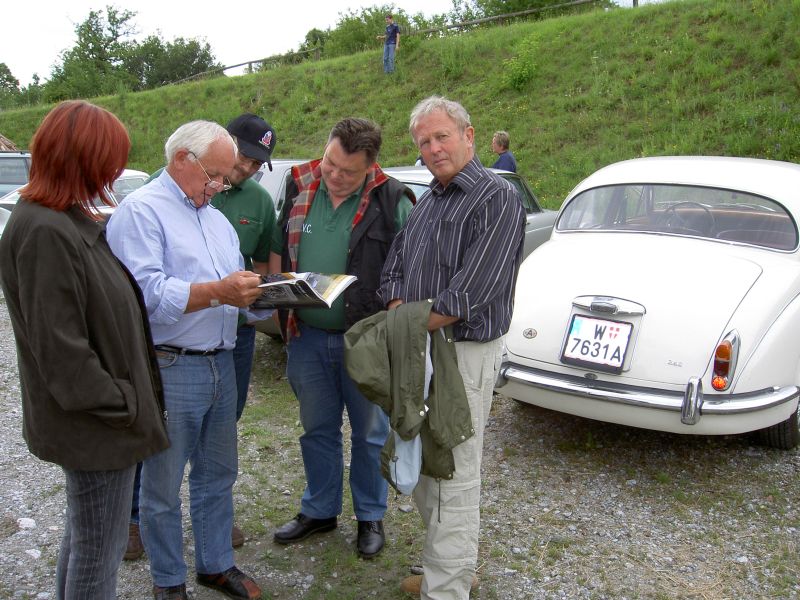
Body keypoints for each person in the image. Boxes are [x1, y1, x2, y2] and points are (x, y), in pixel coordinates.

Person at [0, 100, 170, 599]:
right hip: (98, 426)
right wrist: (126, 401)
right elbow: (63, 355)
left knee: (85, 541)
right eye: (110, 158)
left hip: (102, 421)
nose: (116, 170)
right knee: (99, 554)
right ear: (82, 158)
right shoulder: (47, 232)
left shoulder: (61, 220)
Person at [107, 120, 264, 600]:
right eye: (213, 176)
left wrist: (270, 294)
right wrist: (219, 291)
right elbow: (143, 295)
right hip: (171, 364)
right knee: (162, 483)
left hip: (222, 361)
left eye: (222, 178)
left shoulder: (214, 218)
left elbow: (233, 287)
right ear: (182, 161)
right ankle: (168, 580)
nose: (218, 186)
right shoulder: (141, 212)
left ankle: (215, 564)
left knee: (218, 473)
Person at [378, 96, 525, 599]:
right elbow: (394, 266)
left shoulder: (496, 197)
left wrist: (407, 323)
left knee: (454, 473)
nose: (433, 148)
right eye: (424, 141)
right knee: (419, 459)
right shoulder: (430, 200)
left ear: (469, 135)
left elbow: (469, 294)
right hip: (420, 347)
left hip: (461, 352)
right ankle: (448, 566)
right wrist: (402, 313)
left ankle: (446, 588)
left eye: (441, 136)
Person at [269, 117, 415, 559]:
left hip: (367, 343)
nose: (334, 174)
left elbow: (411, 268)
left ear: (370, 167)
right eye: (331, 162)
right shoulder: (300, 185)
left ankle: (370, 515)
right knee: (317, 431)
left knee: (371, 434)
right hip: (308, 336)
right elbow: (280, 246)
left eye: (347, 171)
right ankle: (320, 509)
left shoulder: (393, 198)